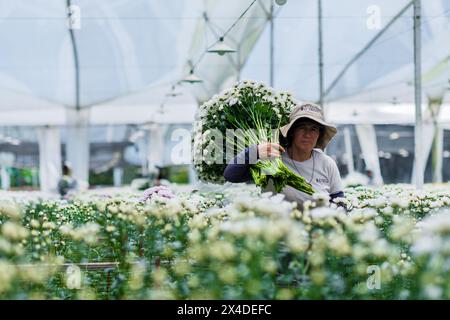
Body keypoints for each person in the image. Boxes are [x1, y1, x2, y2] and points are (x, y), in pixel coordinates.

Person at [223, 102, 345, 208]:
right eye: (302, 127)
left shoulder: (327, 163)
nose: (308, 134)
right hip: (280, 230)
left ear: (319, 135)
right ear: (292, 132)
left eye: (313, 129)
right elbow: (231, 175)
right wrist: (254, 151)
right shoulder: (273, 160)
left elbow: (338, 199)